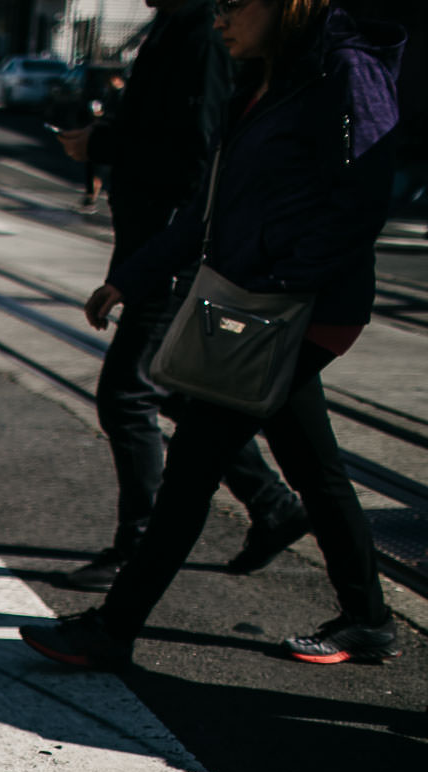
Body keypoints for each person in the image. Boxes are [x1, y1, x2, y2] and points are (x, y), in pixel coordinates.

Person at [22, 0, 406, 669]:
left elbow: (367, 192)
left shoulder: (344, 65)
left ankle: (113, 629)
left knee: (195, 458)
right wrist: (135, 277)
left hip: (297, 308)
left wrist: (288, 278)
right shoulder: (268, 73)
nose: (219, 17)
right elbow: (212, 203)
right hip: (263, 299)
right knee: (312, 465)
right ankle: (368, 618)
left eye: (233, 3)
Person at [54, 0, 306, 593]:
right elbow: (170, 130)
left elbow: (197, 155)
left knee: (126, 393)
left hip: (171, 247)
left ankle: (137, 547)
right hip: (154, 243)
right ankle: (272, 504)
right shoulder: (176, 26)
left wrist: (104, 146)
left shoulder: (203, 34)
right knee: (172, 385)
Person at [76, 71, 124, 210]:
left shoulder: (120, 95)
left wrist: (103, 116)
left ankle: (92, 196)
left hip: (110, 136)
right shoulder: (108, 94)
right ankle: (91, 195)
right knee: (94, 166)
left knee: (100, 169)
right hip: (101, 134)